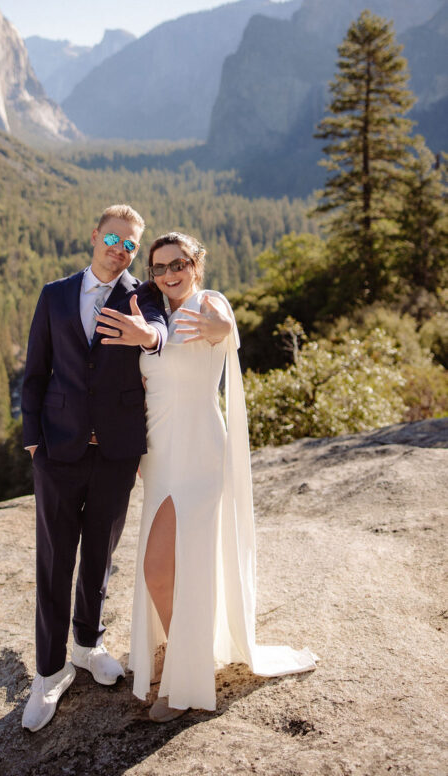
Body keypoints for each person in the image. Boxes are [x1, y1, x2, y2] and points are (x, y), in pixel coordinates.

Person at [129, 232, 317, 722]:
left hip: (198, 451)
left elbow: (223, 328)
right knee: (166, 568)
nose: (169, 274)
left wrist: (218, 321)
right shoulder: (153, 315)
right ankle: (182, 651)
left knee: (166, 567)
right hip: (157, 453)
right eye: (159, 267)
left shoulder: (209, 303)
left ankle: (186, 680)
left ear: (196, 265)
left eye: (179, 264)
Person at [20, 204, 169, 732]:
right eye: (113, 238)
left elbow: (160, 333)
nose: (119, 250)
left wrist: (146, 336)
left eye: (130, 245)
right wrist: (34, 442)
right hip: (57, 452)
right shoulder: (55, 295)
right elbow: (35, 373)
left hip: (115, 452)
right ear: (94, 235)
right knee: (54, 563)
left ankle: (87, 643)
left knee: (100, 557)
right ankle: (47, 671)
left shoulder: (144, 296)